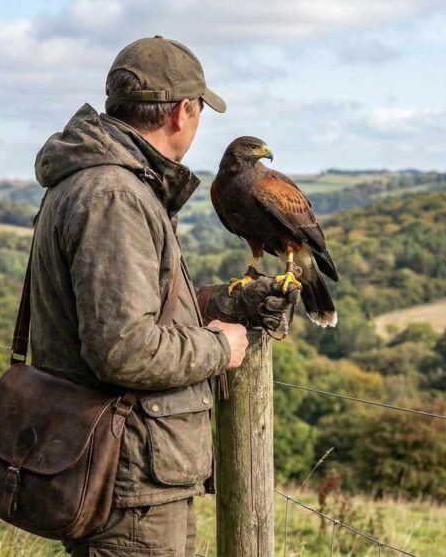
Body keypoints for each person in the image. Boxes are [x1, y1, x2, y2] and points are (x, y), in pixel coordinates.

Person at [28, 35, 297, 556]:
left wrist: (223, 305)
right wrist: (222, 347)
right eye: (199, 112)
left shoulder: (104, 181)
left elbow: (133, 309)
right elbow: (123, 347)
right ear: (182, 112)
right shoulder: (115, 196)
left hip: (120, 469)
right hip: (128, 485)